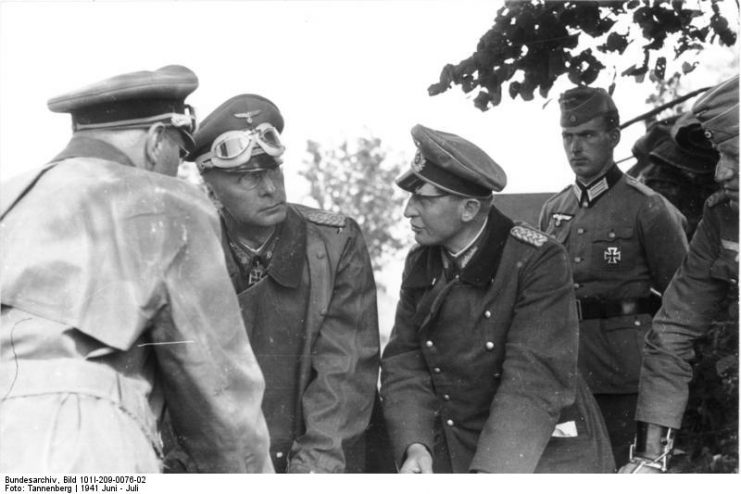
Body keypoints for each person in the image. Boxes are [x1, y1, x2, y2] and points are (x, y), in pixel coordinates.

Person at [0, 66, 272, 473]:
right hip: (81, 445)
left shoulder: (9, 197)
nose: (177, 168)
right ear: (156, 139)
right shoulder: (166, 202)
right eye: (179, 153)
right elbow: (222, 398)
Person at [380, 124, 614, 473]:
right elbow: (405, 360)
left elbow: (533, 380)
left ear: (470, 209)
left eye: (423, 200)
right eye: (411, 198)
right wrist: (415, 445)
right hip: (458, 446)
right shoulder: (422, 259)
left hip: (536, 452)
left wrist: (490, 474)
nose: (408, 212)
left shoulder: (538, 259)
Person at [181, 94, 384, 473]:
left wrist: (309, 474)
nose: (271, 189)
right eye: (248, 178)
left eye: (273, 170)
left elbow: (344, 375)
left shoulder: (336, 243)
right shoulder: (187, 249)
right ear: (211, 189)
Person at [538, 87, 689, 466]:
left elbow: (683, 302)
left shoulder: (648, 208)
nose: (576, 147)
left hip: (627, 373)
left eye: (587, 135)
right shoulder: (554, 209)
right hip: (570, 372)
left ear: (613, 137)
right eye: (568, 137)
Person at [620, 75, 739, 474]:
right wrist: (649, 458)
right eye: (721, 156)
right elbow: (671, 332)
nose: (721, 173)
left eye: (735, 157)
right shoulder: (723, 217)